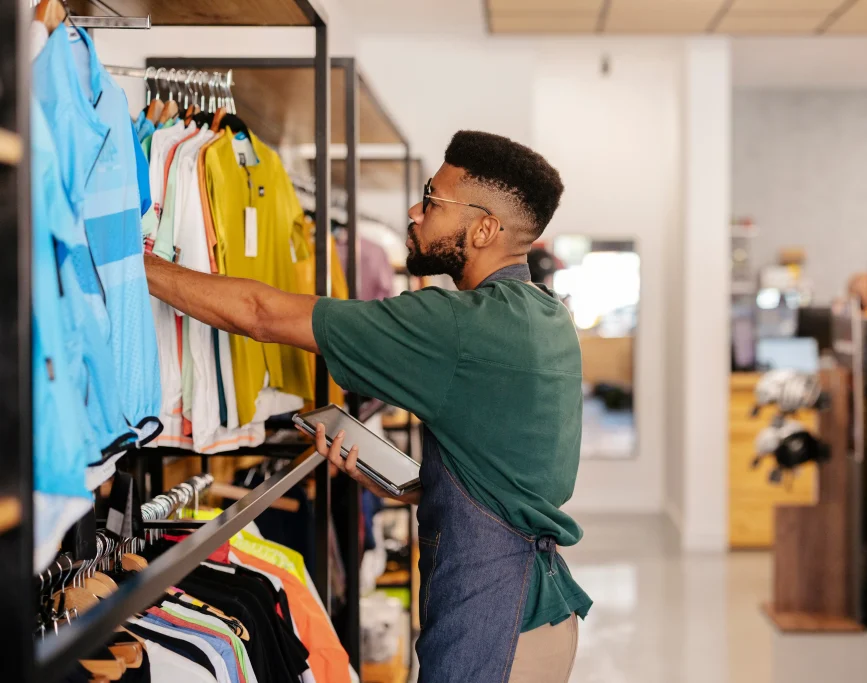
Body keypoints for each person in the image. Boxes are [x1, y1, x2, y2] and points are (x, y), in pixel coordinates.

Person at [144, 130, 592, 683]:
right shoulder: (547, 318)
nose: (414, 212)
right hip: (541, 616)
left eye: (431, 200)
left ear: (483, 229)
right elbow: (514, 470)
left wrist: (134, 263)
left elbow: (261, 313)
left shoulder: (458, 326)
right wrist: (410, 486)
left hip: (492, 626)